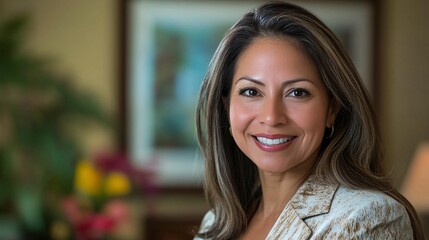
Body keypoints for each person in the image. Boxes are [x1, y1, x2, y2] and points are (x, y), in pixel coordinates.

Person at [193, 1, 424, 240]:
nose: (272, 117)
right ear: (226, 104)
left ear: (332, 108)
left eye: (297, 92)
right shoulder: (216, 223)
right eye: (251, 92)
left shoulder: (368, 217)